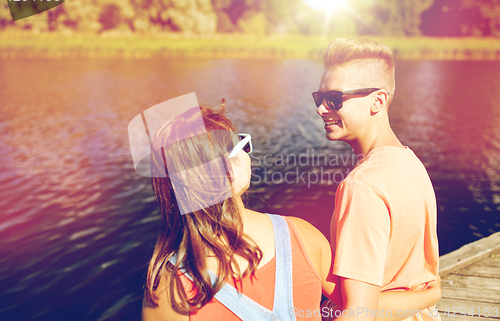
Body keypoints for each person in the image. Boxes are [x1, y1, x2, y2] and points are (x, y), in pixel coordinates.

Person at [141, 103, 440, 321]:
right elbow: (360, 309)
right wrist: (428, 294)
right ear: (232, 166)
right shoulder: (302, 237)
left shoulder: (169, 287)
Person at [314, 38, 441, 321]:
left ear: (378, 101)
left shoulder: (362, 186)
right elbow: (429, 283)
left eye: (334, 98)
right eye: (318, 98)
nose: (322, 109)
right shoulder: (411, 163)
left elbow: (358, 314)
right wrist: (431, 295)